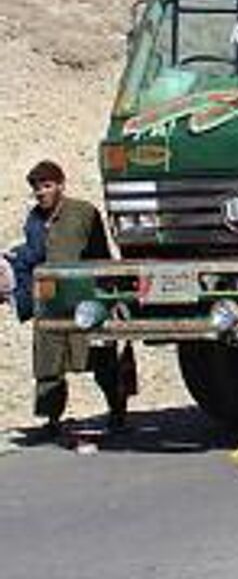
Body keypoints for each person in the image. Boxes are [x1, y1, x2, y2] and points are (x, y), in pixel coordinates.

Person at [6, 161, 131, 442]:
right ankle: (51, 420)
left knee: (101, 359)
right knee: (48, 364)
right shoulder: (35, 219)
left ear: (61, 184)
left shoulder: (84, 213)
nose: (41, 193)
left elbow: (101, 255)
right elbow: (33, 254)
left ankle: (117, 411)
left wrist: (112, 295)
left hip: (83, 298)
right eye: (37, 188)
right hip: (50, 300)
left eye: (47, 186)